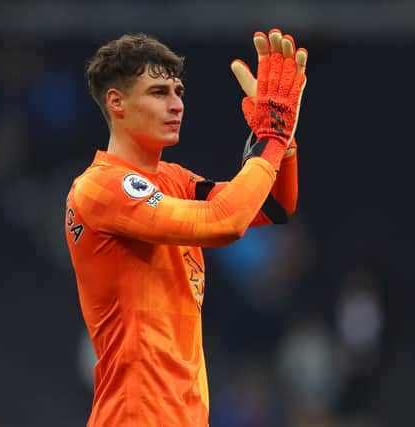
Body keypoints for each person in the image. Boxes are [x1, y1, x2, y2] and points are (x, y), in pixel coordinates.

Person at [64, 29, 308, 426]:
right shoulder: (101, 187)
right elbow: (223, 222)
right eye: (159, 93)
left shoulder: (174, 180)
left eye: (178, 92)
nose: (176, 104)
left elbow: (273, 205)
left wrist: (283, 141)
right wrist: (271, 138)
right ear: (117, 102)